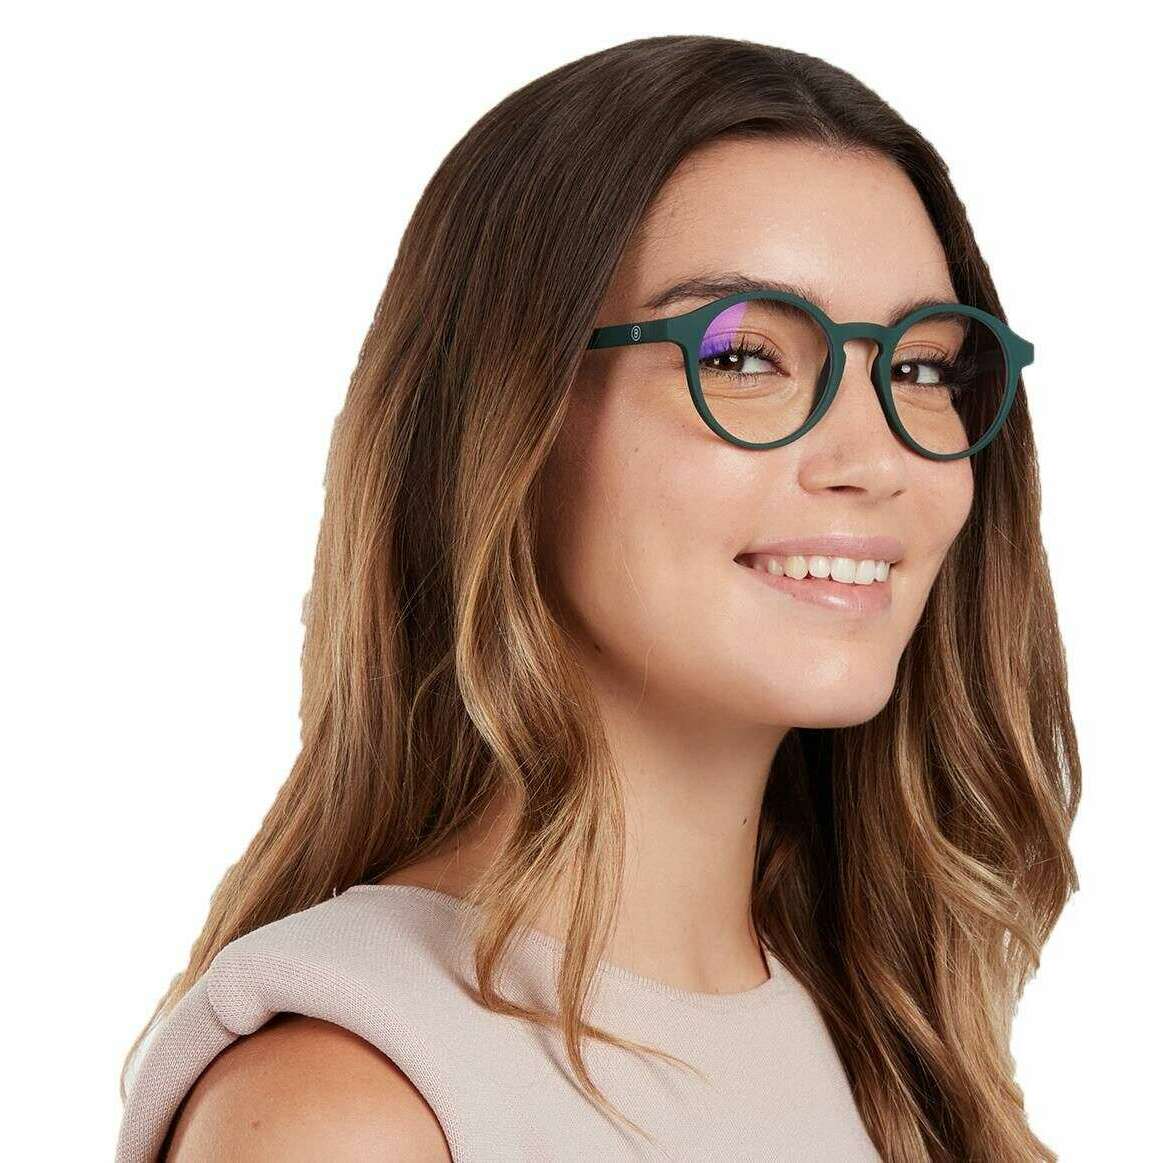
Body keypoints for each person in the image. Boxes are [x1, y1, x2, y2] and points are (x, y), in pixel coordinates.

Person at [115, 34, 1080, 1162]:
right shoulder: (352, 1105)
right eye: (739, 356)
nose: (874, 459)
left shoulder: (902, 1055)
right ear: (506, 426)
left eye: (917, 367)